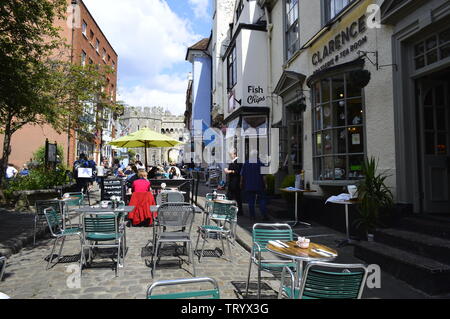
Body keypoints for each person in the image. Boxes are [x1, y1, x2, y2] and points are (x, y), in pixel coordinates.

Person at [240, 150, 269, 221]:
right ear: (257, 155)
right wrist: (266, 184)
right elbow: (264, 176)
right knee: (262, 200)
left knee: (251, 201)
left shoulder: (246, 163)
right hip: (259, 185)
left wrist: (241, 183)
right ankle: (264, 215)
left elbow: (242, 175)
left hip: (249, 185)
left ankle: (252, 216)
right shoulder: (261, 163)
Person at [224, 149, 243, 216]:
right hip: (231, 181)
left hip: (236, 182)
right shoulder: (232, 161)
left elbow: (238, 171)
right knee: (230, 196)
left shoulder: (238, 161)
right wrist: (227, 170)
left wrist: (230, 171)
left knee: (237, 197)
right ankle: (230, 210)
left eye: (231, 154)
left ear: (235, 154)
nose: (230, 156)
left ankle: (240, 211)